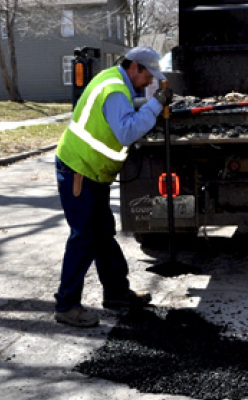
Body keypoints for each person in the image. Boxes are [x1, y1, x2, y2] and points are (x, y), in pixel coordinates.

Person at [54, 46, 173, 327]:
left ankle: (117, 294)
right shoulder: (115, 90)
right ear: (134, 68)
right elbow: (127, 131)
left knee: (102, 233)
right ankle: (66, 305)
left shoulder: (113, 80)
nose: (150, 82)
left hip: (91, 172)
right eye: (147, 76)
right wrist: (155, 105)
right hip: (80, 170)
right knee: (84, 237)